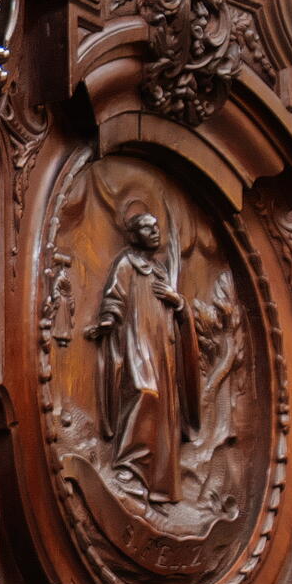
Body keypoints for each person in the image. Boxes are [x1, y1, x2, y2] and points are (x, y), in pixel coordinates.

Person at [87, 205, 202, 505]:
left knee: (163, 410)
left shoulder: (161, 271)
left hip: (162, 349)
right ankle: (128, 467)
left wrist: (178, 301)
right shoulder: (126, 264)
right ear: (133, 235)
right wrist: (107, 320)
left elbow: (177, 312)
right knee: (143, 392)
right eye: (147, 228)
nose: (155, 232)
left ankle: (155, 483)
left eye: (156, 227)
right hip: (136, 342)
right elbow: (114, 298)